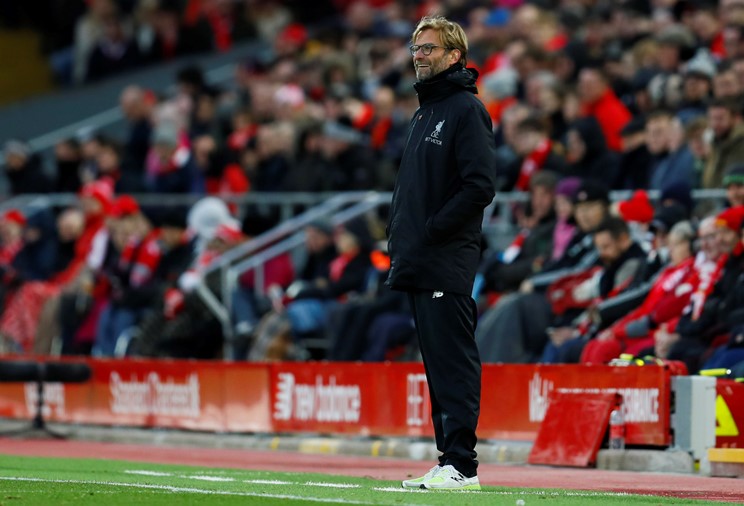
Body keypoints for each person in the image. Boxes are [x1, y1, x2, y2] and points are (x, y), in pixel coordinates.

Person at [386, 16, 496, 491]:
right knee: (437, 363)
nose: (419, 55)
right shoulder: (424, 112)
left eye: (429, 48)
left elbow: (479, 186)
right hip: (420, 258)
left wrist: (431, 230)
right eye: (416, 47)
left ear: (455, 55)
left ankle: (463, 465)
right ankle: (448, 458)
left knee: (452, 361)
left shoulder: (465, 110)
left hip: (444, 258)